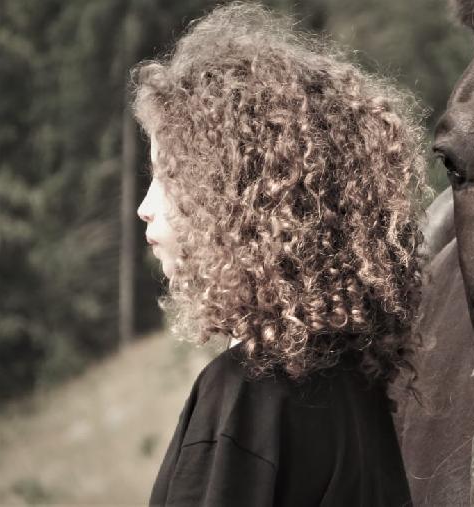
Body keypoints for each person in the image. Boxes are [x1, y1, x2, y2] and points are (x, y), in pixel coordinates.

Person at [133, 4, 426, 505]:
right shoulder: (357, 394)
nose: (144, 208)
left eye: (166, 174)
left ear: (230, 195)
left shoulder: (247, 400)